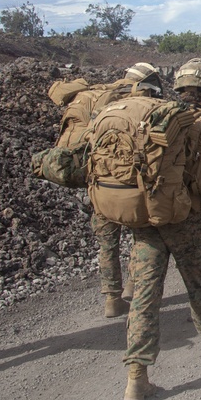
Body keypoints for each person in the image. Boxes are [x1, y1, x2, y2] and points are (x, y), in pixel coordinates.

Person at [118, 58, 201, 400]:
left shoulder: (149, 117)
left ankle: (137, 376)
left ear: (179, 87)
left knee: (144, 295)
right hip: (187, 219)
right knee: (199, 281)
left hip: (145, 218)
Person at [56, 62, 162, 319]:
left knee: (107, 243)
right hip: (131, 184)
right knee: (140, 236)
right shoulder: (137, 99)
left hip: (99, 182)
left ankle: (112, 298)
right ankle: (133, 285)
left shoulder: (97, 96)